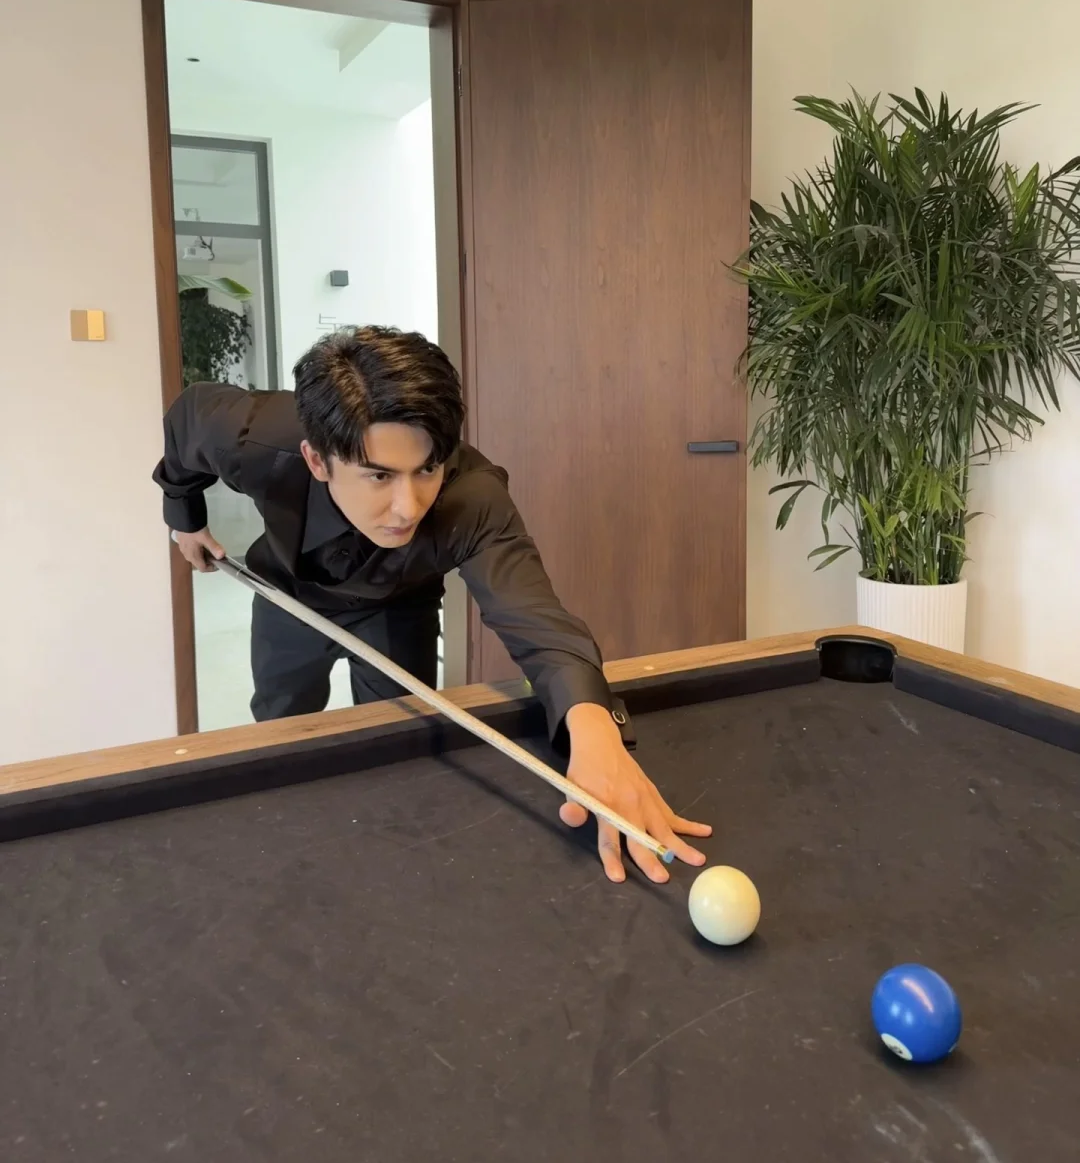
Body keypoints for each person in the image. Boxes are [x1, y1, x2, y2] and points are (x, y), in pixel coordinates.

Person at [154, 325, 710, 884]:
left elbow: (536, 620)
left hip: (399, 606)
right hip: (288, 593)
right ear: (317, 461)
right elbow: (187, 418)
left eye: (426, 469)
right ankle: (289, 852)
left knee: (397, 745)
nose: (408, 506)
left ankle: (387, 864)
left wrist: (593, 729)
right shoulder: (254, 440)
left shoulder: (474, 498)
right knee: (281, 725)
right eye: (379, 475)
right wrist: (186, 518)